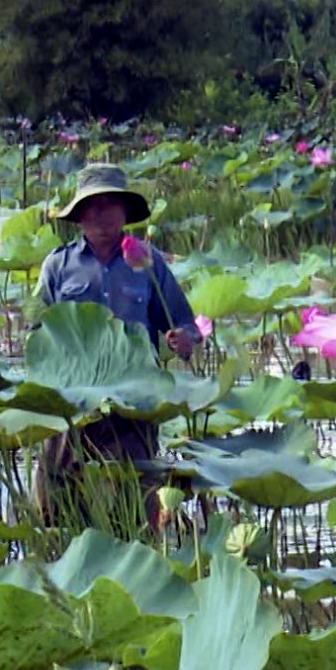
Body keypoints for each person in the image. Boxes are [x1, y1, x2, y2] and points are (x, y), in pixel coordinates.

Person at [31, 163, 200, 530]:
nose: (103, 212)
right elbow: (37, 331)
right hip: (72, 399)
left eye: (111, 203)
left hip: (133, 403)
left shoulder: (150, 263)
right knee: (55, 511)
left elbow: (185, 324)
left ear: (125, 212)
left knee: (136, 513)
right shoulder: (58, 266)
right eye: (94, 204)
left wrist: (183, 338)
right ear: (79, 215)